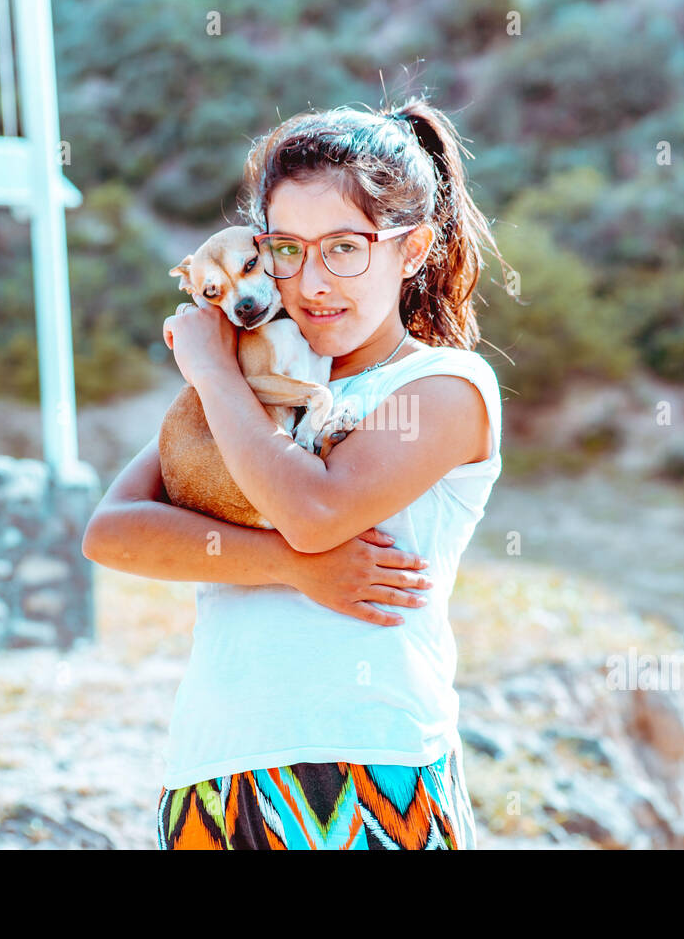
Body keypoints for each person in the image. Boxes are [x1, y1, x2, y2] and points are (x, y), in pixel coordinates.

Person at [82, 96, 511, 849]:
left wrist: (212, 376)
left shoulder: (445, 386)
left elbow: (316, 512)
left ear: (412, 249)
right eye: (286, 248)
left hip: (374, 769)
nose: (311, 281)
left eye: (345, 248)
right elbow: (111, 534)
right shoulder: (247, 387)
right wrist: (290, 567)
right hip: (212, 775)